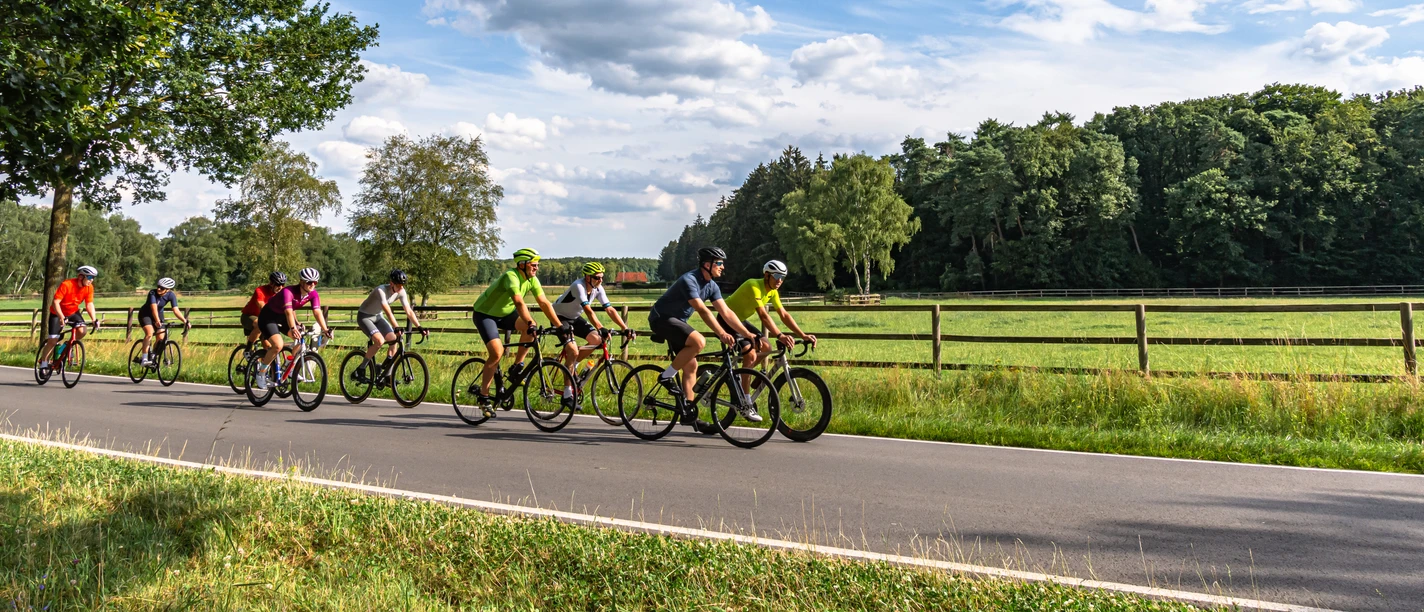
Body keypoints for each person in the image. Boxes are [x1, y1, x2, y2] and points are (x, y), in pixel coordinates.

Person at [647, 246, 760, 427]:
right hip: (662, 318)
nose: (722, 267)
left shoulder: (712, 286)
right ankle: (666, 377)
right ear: (707, 264)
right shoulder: (689, 280)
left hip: (678, 321)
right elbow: (702, 310)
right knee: (698, 341)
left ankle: (688, 413)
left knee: (691, 365)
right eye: (719, 263)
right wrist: (721, 333)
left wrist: (747, 334)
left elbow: (726, 313)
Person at [469, 248, 565, 408]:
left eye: (537, 265)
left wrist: (560, 326)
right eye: (533, 265)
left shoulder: (532, 280)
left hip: (505, 313)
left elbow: (544, 303)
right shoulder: (511, 276)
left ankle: (516, 367)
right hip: (485, 314)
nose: (537, 268)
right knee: (497, 353)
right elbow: (519, 303)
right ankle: (483, 396)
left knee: (530, 331)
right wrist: (530, 322)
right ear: (522, 265)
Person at [720, 259, 817, 389]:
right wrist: (780, 335)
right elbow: (763, 316)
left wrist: (803, 335)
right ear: (766, 275)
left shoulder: (773, 292)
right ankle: (745, 400)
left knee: (767, 348)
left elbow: (784, 315)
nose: (779, 281)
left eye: (782, 277)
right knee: (750, 354)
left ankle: (740, 375)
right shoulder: (753, 285)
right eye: (777, 276)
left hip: (740, 320)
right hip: (726, 319)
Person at [553, 262, 633, 391]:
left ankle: (573, 365)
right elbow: (588, 310)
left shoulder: (598, 288)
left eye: (602, 277)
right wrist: (600, 328)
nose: (600, 280)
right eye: (597, 277)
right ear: (587, 277)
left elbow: (609, 309)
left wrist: (625, 327)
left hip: (574, 317)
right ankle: (568, 394)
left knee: (596, 340)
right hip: (559, 317)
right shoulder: (578, 286)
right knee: (573, 351)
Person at [253, 267, 332, 390]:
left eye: (315, 282)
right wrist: (293, 327)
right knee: (278, 345)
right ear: (301, 281)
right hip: (268, 317)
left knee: (301, 339)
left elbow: (317, 312)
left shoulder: (313, 294)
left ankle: (288, 366)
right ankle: (261, 372)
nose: (312, 285)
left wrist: (325, 329)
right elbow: (289, 312)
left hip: (282, 317)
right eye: (309, 282)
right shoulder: (288, 292)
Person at [355, 269, 427, 379]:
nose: (401, 288)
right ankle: (361, 369)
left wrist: (419, 327)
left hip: (378, 316)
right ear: (391, 283)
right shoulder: (381, 290)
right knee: (379, 341)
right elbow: (388, 311)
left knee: (394, 340)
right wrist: (396, 327)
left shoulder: (401, 291)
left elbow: (408, 311)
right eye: (398, 285)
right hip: (365, 316)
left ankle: (387, 374)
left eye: (403, 285)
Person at [38, 265, 99, 373]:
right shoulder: (67, 284)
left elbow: (89, 304)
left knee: (82, 331)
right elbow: (55, 302)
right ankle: (43, 363)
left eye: (93, 278)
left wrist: (94, 319)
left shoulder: (89, 288)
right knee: (53, 340)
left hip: (72, 312)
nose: (91, 280)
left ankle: (67, 345)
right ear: (81, 277)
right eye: (89, 277)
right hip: (57, 313)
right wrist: (61, 317)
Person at [133, 277, 190, 367]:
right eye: (158, 286)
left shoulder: (171, 295)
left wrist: (185, 321)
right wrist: (157, 321)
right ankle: (144, 359)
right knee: (150, 333)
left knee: (160, 338)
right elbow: (154, 308)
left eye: (162, 288)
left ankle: (153, 356)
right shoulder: (152, 293)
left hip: (159, 315)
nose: (159, 289)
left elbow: (175, 310)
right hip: (146, 314)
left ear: (168, 290)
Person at [241, 272, 287, 347]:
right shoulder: (260, 290)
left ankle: (263, 357)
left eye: (283, 285)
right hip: (249, 316)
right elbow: (261, 305)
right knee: (259, 325)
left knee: (268, 346)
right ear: (271, 283)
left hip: (265, 319)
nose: (281, 287)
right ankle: (248, 349)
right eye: (278, 284)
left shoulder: (283, 292)